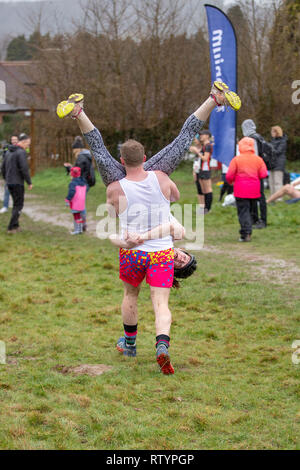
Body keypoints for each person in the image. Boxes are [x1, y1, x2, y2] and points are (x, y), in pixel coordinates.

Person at [106, 138, 182, 374]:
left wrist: (127, 242)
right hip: (161, 252)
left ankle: (129, 345)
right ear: (145, 158)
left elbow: (110, 233)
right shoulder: (160, 176)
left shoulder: (114, 188)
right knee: (161, 303)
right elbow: (176, 197)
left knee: (130, 295)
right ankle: (162, 345)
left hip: (133, 253)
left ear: (121, 161)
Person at [226, 137, 268, 242]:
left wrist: (231, 181)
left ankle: (246, 233)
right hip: (254, 190)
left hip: (241, 190)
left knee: (243, 212)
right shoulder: (258, 159)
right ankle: (251, 227)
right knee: (251, 210)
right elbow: (264, 174)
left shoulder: (237, 159)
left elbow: (230, 175)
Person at [241, 119, 273, 229]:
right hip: (260, 169)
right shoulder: (259, 137)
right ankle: (257, 219)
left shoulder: (251, 139)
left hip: (253, 171)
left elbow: (252, 156)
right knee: (257, 195)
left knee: (258, 195)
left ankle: (260, 220)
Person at [1, 133, 33, 234]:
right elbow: (24, 168)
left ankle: (16, 225)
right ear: (23, 142)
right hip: (17, 183)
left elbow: (2, 167)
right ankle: (11, 227)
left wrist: (6, 178)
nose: (28, 146)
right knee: (19, 205)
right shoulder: (21, 152)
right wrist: (29, 182)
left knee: (16, 204)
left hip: (9, 182)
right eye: (28, 143)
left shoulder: (9, 152)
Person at [64, 136, 95, 232]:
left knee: (78, 205)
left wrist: (69, 169)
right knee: (81, 203)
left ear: (77, 149)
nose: (73, 152)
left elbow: (77, 171)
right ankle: (83, 224)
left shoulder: (81, 157)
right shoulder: (86, 155)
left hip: (81, 183)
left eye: (74, 150)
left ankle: (81, 225)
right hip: (85, 183)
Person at [190, 130, 213, 213]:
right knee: (203, 190)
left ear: (207, 136)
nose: (201, 136)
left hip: (206, 170)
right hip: (201, 170)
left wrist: (197, 152)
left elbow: (205, 158)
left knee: (208, 189)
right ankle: (205, 208)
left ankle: (208, 208)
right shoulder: (204, 146)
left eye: (202, 135)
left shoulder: (208, 146)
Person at [65, 166, 88, 235]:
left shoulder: (72, 184)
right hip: (82, 202)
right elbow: (86, 188)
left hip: (75, 203)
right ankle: (80, 229)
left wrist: (67, 199)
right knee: (80, 216)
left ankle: (77, 230)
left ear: (72, 175)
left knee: (76, 216)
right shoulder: (83, 182)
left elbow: (71, 192)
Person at [0, 135, 19, 214]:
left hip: (17, 175)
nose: (14, 141)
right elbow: (4, 163)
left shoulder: (20, 149)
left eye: (15, 140)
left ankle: (17, 207)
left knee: (17, 193)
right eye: (12, 140)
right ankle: (5, 206)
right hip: (9, 175)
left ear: (18, 141)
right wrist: (4, 152)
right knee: (7, 191)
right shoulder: (8, 150)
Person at [268, 126, 287, 198]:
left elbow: (278, 151)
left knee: (277, 182)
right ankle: (272, 197)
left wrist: (269, 150)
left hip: (279, 163)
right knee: (271, 181)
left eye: (272, 131)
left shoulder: (283, 141)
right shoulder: (272, 140)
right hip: (272, 163)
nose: (271, 133)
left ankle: (279, 198)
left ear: (277, 132)